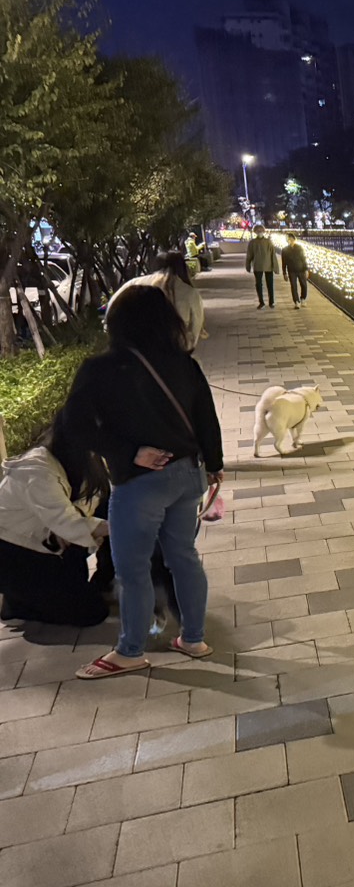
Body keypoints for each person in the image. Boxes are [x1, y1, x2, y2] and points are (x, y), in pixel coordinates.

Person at [66, 284, 224, 678]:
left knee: (133, 569)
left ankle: (130, 650)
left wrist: (128, 452)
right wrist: (215, 464)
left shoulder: (100, 369)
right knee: (184, 557)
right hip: (187, 475)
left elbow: (75, 426)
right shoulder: (183, 363)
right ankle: (193, 638)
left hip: (140, 483)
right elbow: (207, 417)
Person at [0, 410, 111, 627]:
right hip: (13, 553)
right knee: (92, 613)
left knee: (107, 504)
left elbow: (95, 498)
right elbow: (68, 523)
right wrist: (124, 526)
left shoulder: (83, 459)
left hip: (46, 543)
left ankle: (102, 580)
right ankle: (17, 603)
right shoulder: (36, 470)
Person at [111, 252, 206, 351]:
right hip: (174, 351)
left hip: (136, 350)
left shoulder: (133, 284)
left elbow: (111, 310)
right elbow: (195, 327)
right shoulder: (189, 292)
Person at [245, 224, 278, 308]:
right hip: (258, 266)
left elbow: (273, 255)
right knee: (259, 285)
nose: (259, 232)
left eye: (261, 231)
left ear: (263, 231)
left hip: (268, 266)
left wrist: (275, 267)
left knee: (269, 284)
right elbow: (249, 255)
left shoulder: (268, 242)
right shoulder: (253, 242)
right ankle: (262, 302)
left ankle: (271, 302)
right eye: (258, 231)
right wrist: (248, 265)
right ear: (255, 232)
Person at [280, 232, 310, 309]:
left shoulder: (299, 248)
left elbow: (303, 259)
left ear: (294, 239)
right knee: (293, 286)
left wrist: (306, 269)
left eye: (291, 239)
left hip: (301, 269)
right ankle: (296, 301)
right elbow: (284, 262)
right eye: (288, 239)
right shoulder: (285, 250)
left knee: (304, 285)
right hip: (291, 270)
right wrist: (284, 273)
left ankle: (303, 298)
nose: (290, 240)